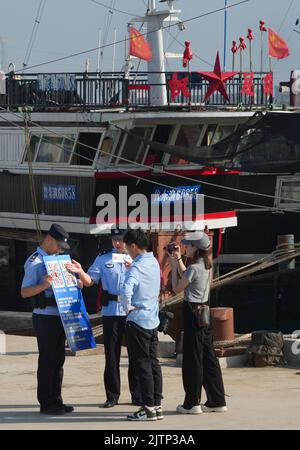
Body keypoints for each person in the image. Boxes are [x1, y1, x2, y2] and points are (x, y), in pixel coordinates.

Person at [66, 229, 142, 408]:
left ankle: (137, 395)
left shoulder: (138, 259)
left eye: (121, 240)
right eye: (114, 240)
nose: (117, 243)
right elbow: (90, 280)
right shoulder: (103, 259)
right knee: (111, 356)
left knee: (135, 355)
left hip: (132, 313)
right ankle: (112, 396)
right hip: (111, 312)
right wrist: (79, 272)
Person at [169, 231, 227, 415]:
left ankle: (192, 402)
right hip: (205, 313)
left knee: (193, 359)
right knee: (209, 357)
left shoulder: (194, 267)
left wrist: (172, 266)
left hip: (192, 314)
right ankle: (217, 400)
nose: (186, 247)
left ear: (195, 248)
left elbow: (178, 288)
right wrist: (178, 260)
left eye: (188, 245)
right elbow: (188, 276)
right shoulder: (207, 265)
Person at [21, 224, 74, 416]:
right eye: (58, 246)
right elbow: (25, 292)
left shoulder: (55, 260)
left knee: (58, 359)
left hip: (60, 315)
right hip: (44, 317)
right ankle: (46, 402)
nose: (60, 249)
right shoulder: (35, 262)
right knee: (47, 360)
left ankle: (56, 400)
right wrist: (44, 285)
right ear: (50, 241)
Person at [120, 229, 163, 422]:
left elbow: (125, 288)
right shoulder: (153, 262)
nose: (127, 250)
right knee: (153, 363)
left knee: (142, 365)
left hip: (138, 321)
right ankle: (156, 405)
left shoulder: (136, 267)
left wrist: (127, 308)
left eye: (127, 247)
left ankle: (147, 409)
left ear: (134, 246)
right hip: (153, 320)